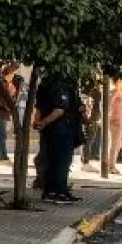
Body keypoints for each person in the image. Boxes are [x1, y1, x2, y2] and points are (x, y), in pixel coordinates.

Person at [33, 71, 82, 204]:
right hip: (62, 130)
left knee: (49, 160)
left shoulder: (44, 84)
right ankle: (60, 192)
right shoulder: (62, 86)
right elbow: (59, 110)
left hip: (49, 131)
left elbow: (39, 107)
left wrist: (38, 122)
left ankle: (50, 191)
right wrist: (42, 122)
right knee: (62, 162)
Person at [80, 72, 102, 173]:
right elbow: (93, 104)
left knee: (87, 140)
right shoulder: (95, 91)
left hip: (89, 118)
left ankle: (84, 161)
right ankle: (85, 162)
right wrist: (92, 119)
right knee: (88, 141)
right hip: (91, 119)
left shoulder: (87, 89)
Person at [108, 73, 122, 175]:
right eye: (121, 80)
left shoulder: (118, 90)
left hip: (119, 118)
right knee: (114, 143)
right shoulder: (114, 90)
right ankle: (111, 166)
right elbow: (109, 103)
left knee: (117, 143)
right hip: (114, 119)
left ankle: (111, 165)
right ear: (118, 81)